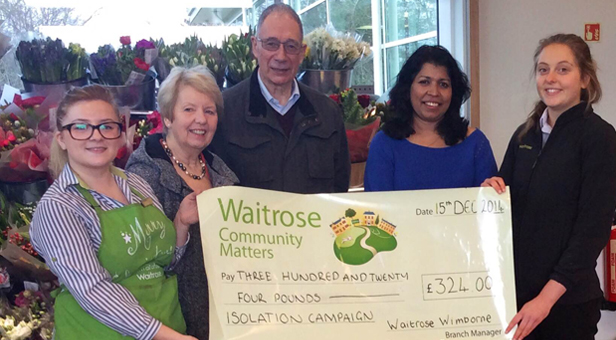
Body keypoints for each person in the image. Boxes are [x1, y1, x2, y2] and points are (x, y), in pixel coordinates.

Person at [30, 85, 199, 340]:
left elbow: (163, 263)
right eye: (81, 127)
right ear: (62, 139)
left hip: (167, 325)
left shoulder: (136, 184)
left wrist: (181, 223)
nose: (96, 136)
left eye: (106, 126)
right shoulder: (58, 207)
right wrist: (166, 336)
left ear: (120, 135)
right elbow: (92, 290)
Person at [482, 34, 616, 340]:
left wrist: (545, 300)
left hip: (567, 303)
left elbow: (591, 232)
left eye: (563, 69)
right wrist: (492, 189)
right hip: (517, 297)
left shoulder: (599, 138)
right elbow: (505, 203)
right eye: (543, 70)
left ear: (584, 78)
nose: (550, 78)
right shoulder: (524, 135)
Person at [126, 66, 238, 340]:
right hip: (170, 322)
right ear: (167, 117)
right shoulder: (143, 173)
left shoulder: (221, 170)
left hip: (225, 316)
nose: (201, 119)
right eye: (189, 109)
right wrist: (179, 224)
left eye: (209, 111)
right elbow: (138, 261)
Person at [211, 3, 350, 194]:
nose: (281, 56)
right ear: (255, 46)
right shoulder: (224, 111)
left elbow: (340, 188)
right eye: (271, 44)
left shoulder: (327, 113)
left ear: (302, 53)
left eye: (291, 46)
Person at [364, 45, 497, 191]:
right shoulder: (384, 145)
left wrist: (492, 191)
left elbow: (491, 209)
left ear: (454, 93)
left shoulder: (476, 144)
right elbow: (377, 210)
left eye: (443, 84)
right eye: (424, 82)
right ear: (408, 88)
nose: (434, 92)